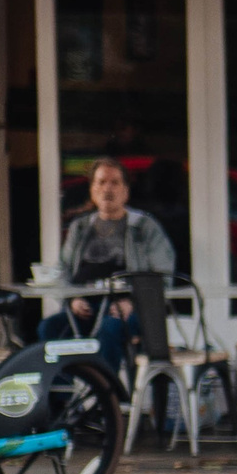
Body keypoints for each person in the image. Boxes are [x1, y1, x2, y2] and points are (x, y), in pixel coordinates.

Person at [39, 157, 175, 376]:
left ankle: (106, 400)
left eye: (114, 182)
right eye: (101, 182)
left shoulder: (143, 227)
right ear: (92, 189)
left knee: (110, 330)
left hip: (127, 309)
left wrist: (133, 302)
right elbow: (62, 270)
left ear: (126, 191)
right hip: (86, 309)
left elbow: (162, 274)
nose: (107, 189)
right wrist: (71, 299)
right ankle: (61, 402)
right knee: (49, 328)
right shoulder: (80, 227)